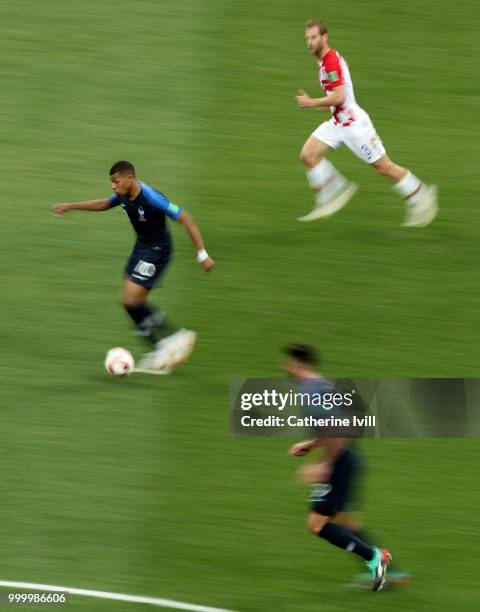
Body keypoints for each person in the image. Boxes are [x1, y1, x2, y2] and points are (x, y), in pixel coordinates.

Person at [52, 160, 213, 372]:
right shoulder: (124, 194)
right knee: (129, 303)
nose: (113, 186)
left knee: (130, 300)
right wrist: (72, 206)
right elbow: (105, 203)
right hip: (142, 248)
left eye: (116, 181)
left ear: (129, 178)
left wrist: (202, 254)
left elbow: (187, 219)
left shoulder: (151, 197)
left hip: (157, 251)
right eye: (111, 182)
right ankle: (161, 348)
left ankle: (176, 336)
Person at [296, 20, 437, 227]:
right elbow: (338, 100)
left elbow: (339, 98)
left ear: (324, 37)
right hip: (338, 123)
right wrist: (322, 106)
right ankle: (332, 191)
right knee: (308, 154)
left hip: (354, 126)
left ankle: (421, 196)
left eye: (314, 37)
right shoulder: (324, 62)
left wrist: (311, 103)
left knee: (384, 167)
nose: (309, 42)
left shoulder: (330, 62)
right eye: (307, 38)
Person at [285, 343, 392, 591]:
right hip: (348, 457)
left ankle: (375, 558)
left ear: (295, 364)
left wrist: (324, 465)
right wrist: (311, 444)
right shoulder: (323, 385)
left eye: (288, 363)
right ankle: (383, 567)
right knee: (345, 521)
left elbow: (338, 429)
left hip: (340, 461)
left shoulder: (310, 393)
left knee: (317, 525)